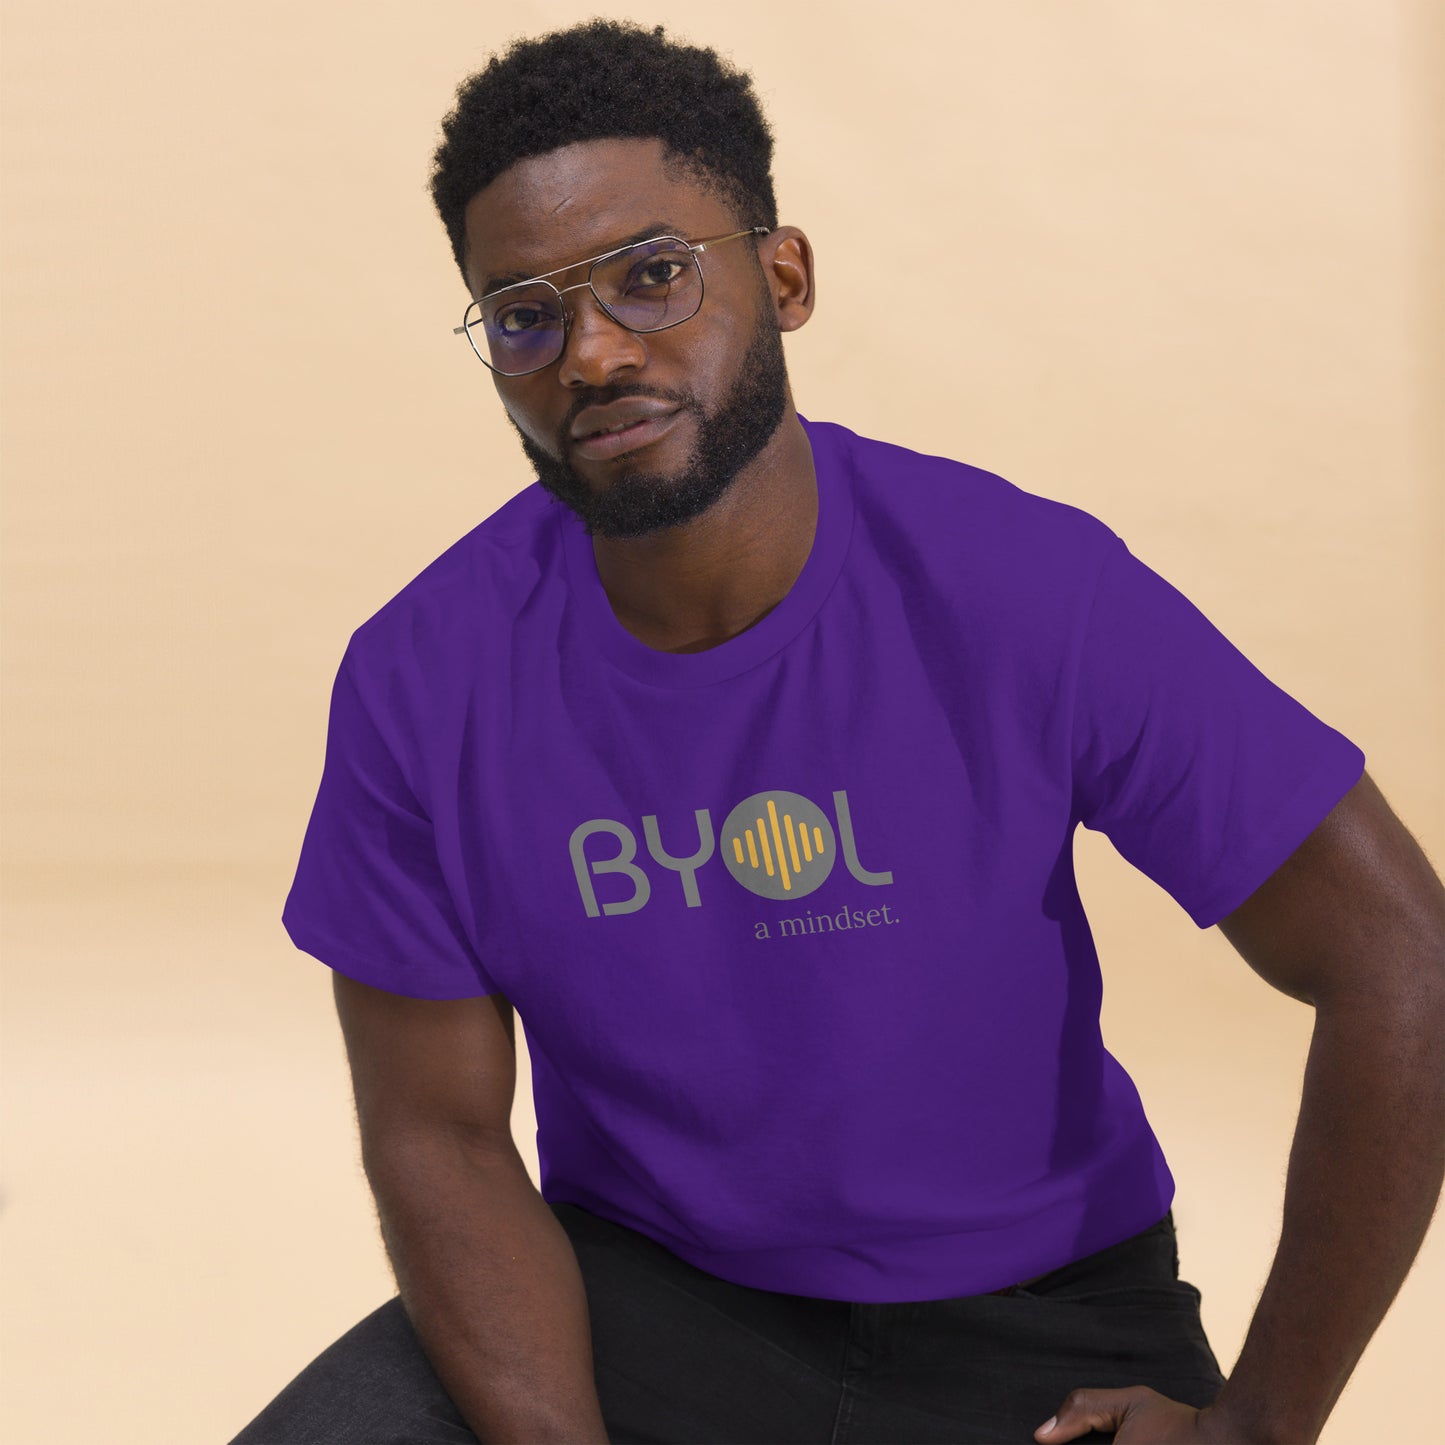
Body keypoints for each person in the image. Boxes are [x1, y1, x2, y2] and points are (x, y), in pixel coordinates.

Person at [230, 19, 1445, 1445]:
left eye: (652, 275)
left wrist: (1259, 1424)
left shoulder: (1018, 587)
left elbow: (1398, 959)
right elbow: (434, 1130)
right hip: (646, 1302)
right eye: (524, 315)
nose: (594, 351)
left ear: (783, 276)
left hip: (1037, 1326)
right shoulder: (419, 676)